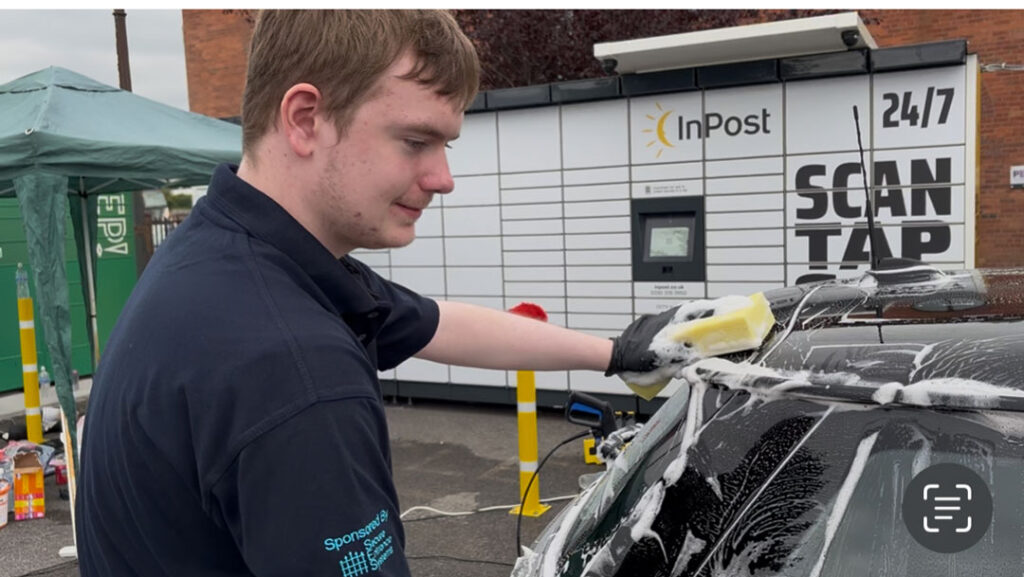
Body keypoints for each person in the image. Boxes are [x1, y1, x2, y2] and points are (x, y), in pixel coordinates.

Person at [76, 10, 700, 577]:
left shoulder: (232, 255)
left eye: (445, 145)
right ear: (305, 119)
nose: (443, 178)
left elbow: (435, 323)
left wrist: (619, 352)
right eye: (416, 141)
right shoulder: (294, 368)